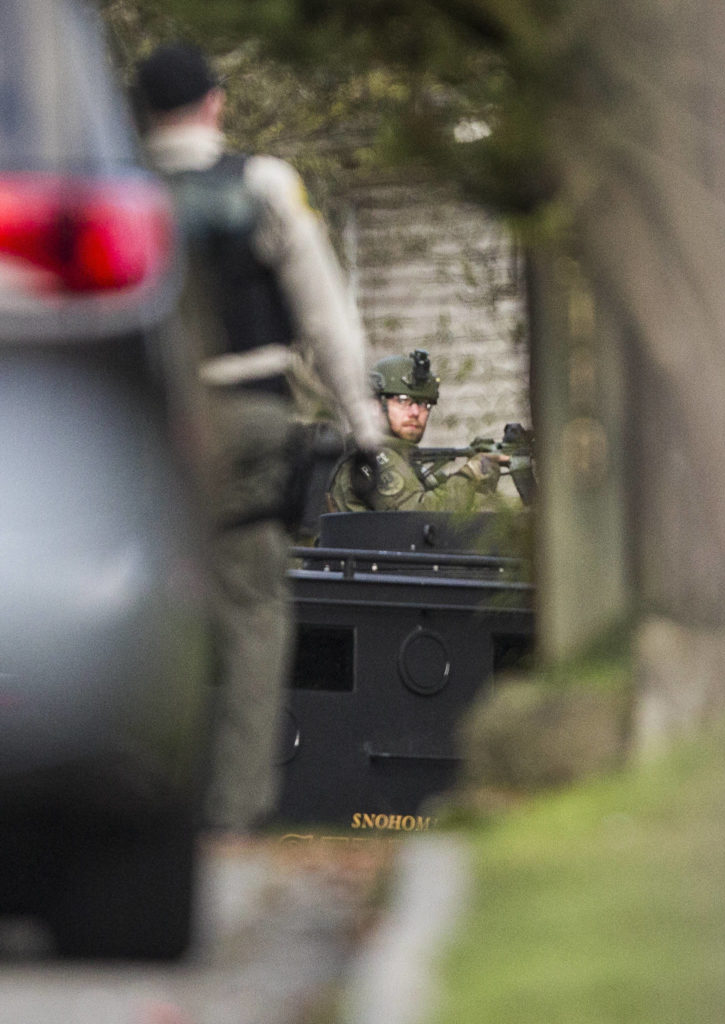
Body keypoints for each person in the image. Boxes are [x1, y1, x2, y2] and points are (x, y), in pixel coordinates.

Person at [133, 42, 380, 833]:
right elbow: (325, 317)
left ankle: (147, 805)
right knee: (252, 608)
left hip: (151, 428)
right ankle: (234, 815)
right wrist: (365, 430)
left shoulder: (122, 191)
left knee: (150, 615)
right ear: (215, 102)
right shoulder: (264, 186)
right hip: (246, 412)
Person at [327, 349, 510, 512]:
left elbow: (452, 513)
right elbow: (417, 517)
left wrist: (482, 476)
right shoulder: (373, 458)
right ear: (375, 405)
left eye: (423, 404)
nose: (416, 412)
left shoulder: (403, 460)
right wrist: (470, 474)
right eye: (402, 400)